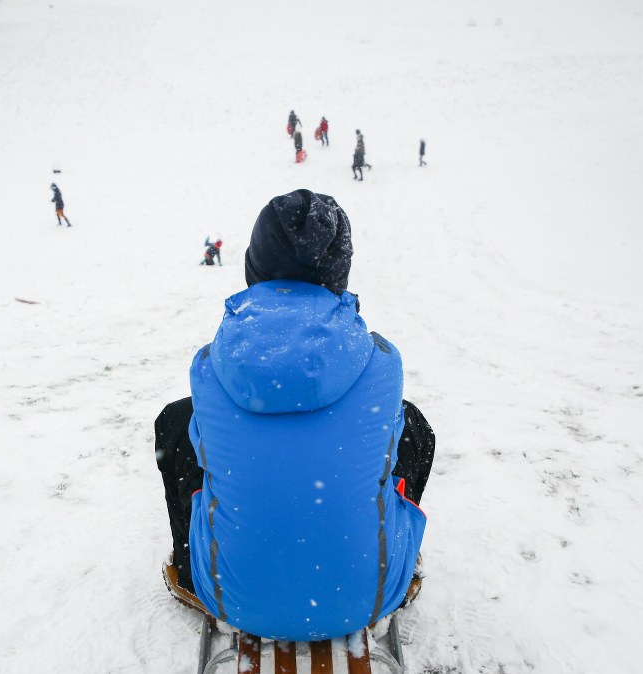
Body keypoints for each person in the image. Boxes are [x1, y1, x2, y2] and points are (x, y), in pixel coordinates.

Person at [155, 189, 435, 642]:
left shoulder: (210, 366)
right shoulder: (381, 363)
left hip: (233, 597)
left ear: (255, 265)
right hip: (366, 597)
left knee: (177, 424)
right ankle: (389, 554)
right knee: (412, 428)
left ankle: (192, 568)